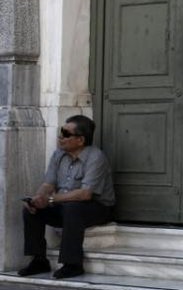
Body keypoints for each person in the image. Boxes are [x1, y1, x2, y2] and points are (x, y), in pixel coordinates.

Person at [18, 115, 115, 279]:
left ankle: (73, 264)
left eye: (66, 134)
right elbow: (48, 184)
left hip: (97, 207)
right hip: (65, 205)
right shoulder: (58, 155)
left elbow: (85, 194)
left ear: (80, 140)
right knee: (31, 210)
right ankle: (39, 260)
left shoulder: (95, 157)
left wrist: (50, 200)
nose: (60, 137)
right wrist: (38, 199)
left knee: (73, 208)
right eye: (60, 133)